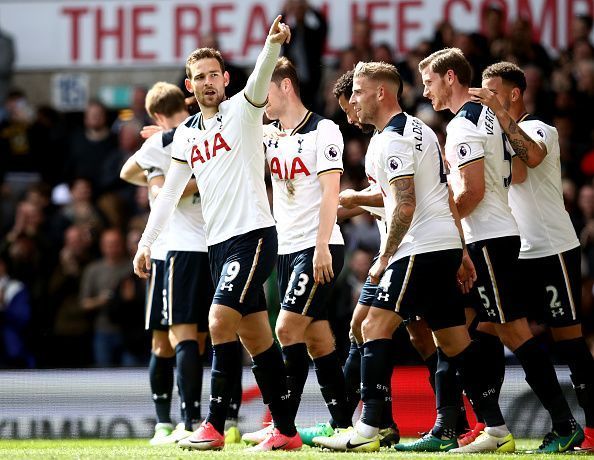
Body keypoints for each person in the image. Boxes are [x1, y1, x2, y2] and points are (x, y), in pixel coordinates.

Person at [132, 16, 301, 452]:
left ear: (226, 79)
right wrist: (146, 243)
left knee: (217, 319)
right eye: (199, 77)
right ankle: (286, 430)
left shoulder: (245, 109)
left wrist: (272, 44)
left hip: (255, 235)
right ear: (189, 86)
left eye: (214, 75)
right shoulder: (187, 134)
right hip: (217, 244)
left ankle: (212, 423)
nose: (208, 82)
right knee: (257, 339)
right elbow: (168, 194)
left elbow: (263, 72)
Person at [418, 47, 583, 453]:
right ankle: (468, 424)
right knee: (456, 330)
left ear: (450, 78)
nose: (425, 93)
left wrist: (440, 217)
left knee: (515, 332)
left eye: (429, 83)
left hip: (490, 239)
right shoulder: (486, 120)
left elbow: (471, 192)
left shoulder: (464, 126)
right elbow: (514, 171)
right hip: (493, 237)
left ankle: (564, 424)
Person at [313, 60, 482, 453]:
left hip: (415, 246)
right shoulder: (419, 129)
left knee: (371, 325)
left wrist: (384, 256)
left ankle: (370, 423)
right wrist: (459, 248)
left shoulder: (391, 139)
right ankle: (488, 421)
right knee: (445, 338)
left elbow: (406, 203)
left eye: (355, 95)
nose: (351, 105)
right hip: (436, 242)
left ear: (379, 93)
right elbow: (427, 193)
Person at [469, 61, 594, 451]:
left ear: (514, 93)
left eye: (493, 92)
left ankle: (589, 431)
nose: (487, 99)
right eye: (483, 93)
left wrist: (500, 117)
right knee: (490, 330)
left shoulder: (540, 129)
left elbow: (530, 162)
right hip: (517, 251)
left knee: (570, 342)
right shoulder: (494, 135)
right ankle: (491, 425)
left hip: (552, 249)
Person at [240, 57, 348, 446]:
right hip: (284, 249)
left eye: (265, 90)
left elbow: (331, 192)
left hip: (317, 245)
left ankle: (283, 426)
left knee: (285, 329)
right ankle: (344, 425)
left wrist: (322, 246)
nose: (260, 100)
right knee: (317, 339)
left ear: (285, 86)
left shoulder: (325, 130)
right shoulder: (267, 135)